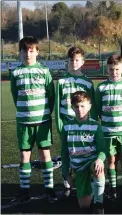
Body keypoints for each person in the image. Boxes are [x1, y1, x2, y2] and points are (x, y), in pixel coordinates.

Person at [10, 36, 57, 203]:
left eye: (31, 51)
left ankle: (49, 188)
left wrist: (44, 113)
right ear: (20, 52)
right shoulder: (16, 73)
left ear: (37, 52)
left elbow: (51, 96)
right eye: (24, 50)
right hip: (23, 122)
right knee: (24, 157)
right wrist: (25, 112)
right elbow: (15, 96)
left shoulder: (44, 72)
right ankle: (24, 190)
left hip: (42, 121)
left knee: (45, 155)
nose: (28, 54)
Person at [55, 46, 97, 193]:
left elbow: (93, 106)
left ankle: (88, 178)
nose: (74, 62)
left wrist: (93, 123)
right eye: (71, 60)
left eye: (77, 60)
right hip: (67, 124)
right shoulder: (61, 82)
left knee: (84, 151)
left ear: (83, 62)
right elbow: (57, 106)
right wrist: (60, 125)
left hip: (84, 125)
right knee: (67, 152)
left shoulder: (87, 83)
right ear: (68, 61)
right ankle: (67, 179)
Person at [95, 55, 122, 200]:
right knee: (111, 160)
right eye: (111, 69)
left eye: (117, 69)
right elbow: (99, 108)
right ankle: (112, 188)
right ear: (107, 69)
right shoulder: (101, 87)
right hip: (108, 132)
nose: (114, 72)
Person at [61, 91, 106, 214]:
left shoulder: (96, 125)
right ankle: (91, 188)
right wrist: (67, 174)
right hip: (78, 168)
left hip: (91, 162)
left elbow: (102, 150)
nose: (80, 109)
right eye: (76, 106)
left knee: (98, 168)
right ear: (72, 108)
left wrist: (99, 159)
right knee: (84, 206)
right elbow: (64, 152)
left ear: (89, 106)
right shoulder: (66, 127)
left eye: (83, 106)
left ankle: (99, 203)